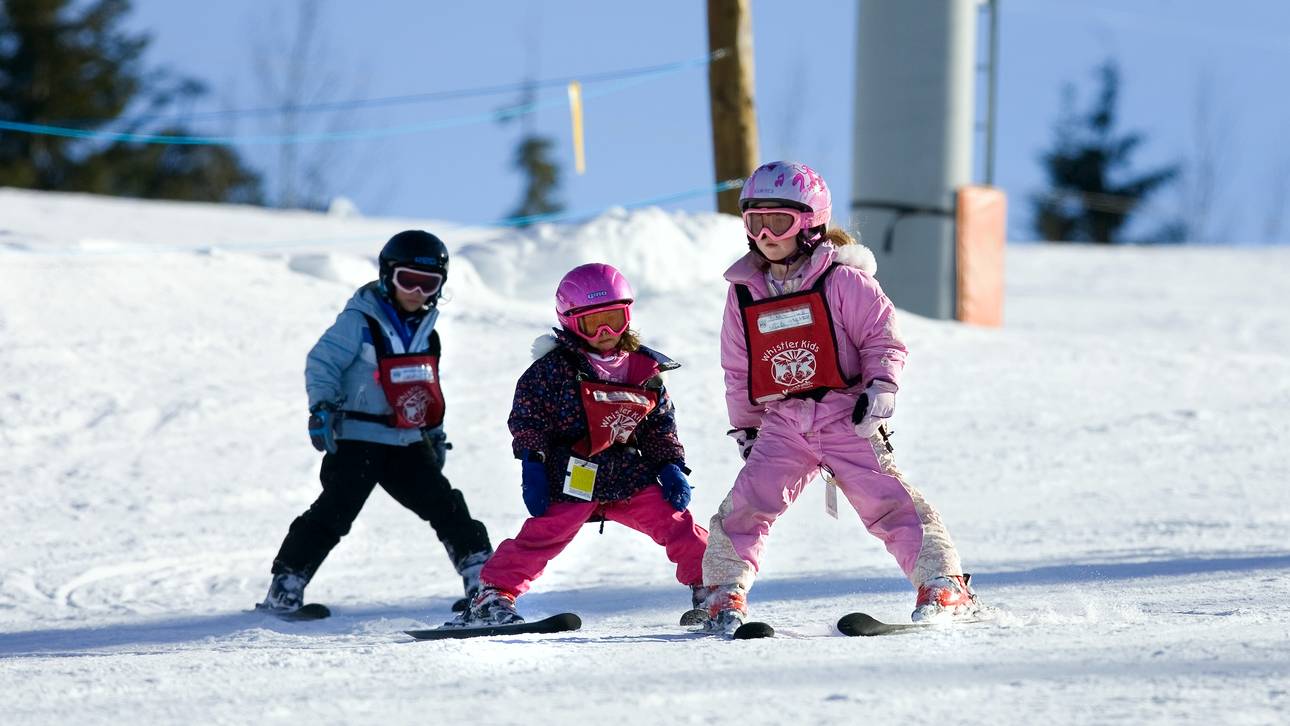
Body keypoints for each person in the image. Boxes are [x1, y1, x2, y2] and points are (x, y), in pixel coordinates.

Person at [701, 161, 982, 632]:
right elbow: (738, 366)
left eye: (779, 222)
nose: (767, 235)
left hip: (845, 417)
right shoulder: (745, 292)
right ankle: (723, 592)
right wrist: (747, 425)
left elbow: (881, 339)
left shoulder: (842, 280)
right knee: (745, 508)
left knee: (890, 504)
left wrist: (881, 387)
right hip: (782, 424)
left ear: (810, 223)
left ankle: (943, 582)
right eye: (755, 223)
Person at [452, 263, 709, 626]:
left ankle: (712, 585)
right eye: (593, 323)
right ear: (571, 321)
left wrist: (670, 465)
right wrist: (533, 461)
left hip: (628, 473)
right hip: (573, 474)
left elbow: (659, 426)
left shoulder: (642, 371)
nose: (606, 332)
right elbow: (528, 418)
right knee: (544, 535)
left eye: (614, 319)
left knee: (676, 523)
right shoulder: (552, 370)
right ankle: (492, 594)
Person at [258, 230, 492, 614]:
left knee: (446, 506)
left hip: (406, 441)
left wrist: (433, 431)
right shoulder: (359, 322)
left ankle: (483, 579)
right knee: (335, 510)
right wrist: (322, 408)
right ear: (387, 276)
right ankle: (286, 584)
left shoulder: (427, 336)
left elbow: (426, 386)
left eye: (428, 283)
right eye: (407, 280)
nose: (416, 292)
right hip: (357, 437)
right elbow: (323, 362)